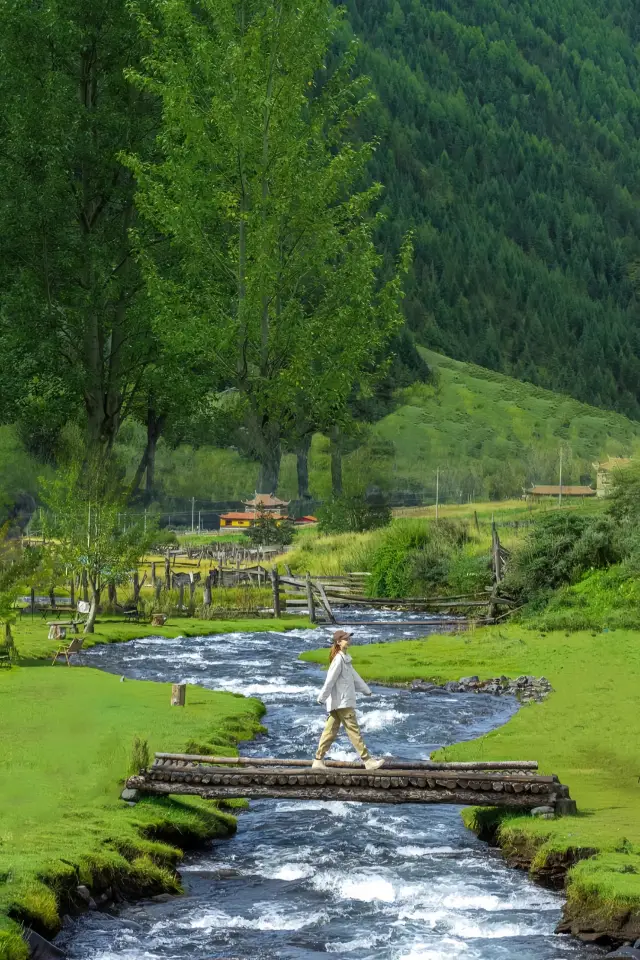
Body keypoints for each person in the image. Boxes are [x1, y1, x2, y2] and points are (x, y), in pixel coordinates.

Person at [312, 629, 385, 771]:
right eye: (346, 639)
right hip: (343, 702)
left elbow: (355, 676)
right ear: (339, 642)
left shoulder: (345, 658)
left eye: (348, 638)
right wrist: (322, 698)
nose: (348, 640)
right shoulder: (338, 660)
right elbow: (329, 681)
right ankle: (368, 761)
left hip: (339, 703)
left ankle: (318, 760)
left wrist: (366, 690)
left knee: (329, 732)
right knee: (354, 731)